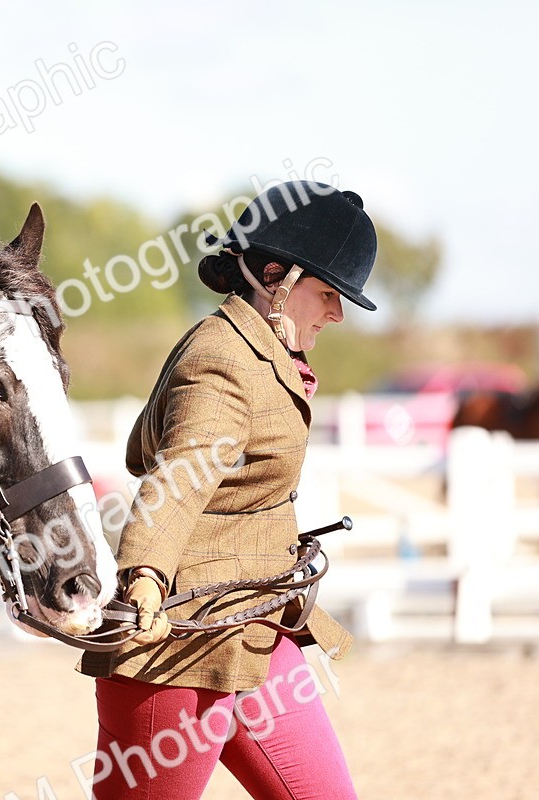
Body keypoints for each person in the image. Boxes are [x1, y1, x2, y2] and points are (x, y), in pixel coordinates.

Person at [78, 180, 377, 799]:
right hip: (177, 649)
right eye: (327, 294)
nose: (337, 313)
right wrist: (145, 577)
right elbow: (178, 479)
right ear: (277, 277)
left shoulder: (264, 353)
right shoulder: (222, 358)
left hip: (259, 627)